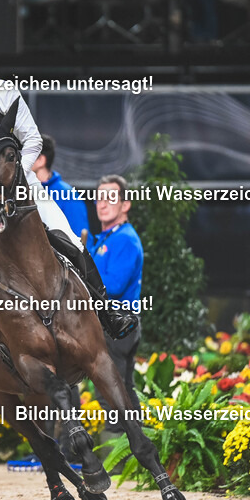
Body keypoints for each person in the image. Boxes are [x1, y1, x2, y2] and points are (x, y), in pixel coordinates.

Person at [0, 21, 137, 374]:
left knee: (70, 242)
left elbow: (31, 139)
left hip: (20, 184)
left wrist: (18, 176)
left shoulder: (3, 91)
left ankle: (107, 311)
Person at [87, 175, 144, 444]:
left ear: (125, 205)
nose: (103, 204)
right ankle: (135, 448)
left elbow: (115, 285)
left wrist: (83, 278)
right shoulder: (106, 237)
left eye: (111, 198)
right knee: (122, 388)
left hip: (118, 324)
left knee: (112, 389)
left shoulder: (125, 239)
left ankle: (122, 451)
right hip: (112, 324)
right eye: (100, 198)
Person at [30, 134, 89, 238]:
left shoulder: (67, 194)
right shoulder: (23, 192)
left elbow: (80, 236)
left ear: (41, 160)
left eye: (28, 154)